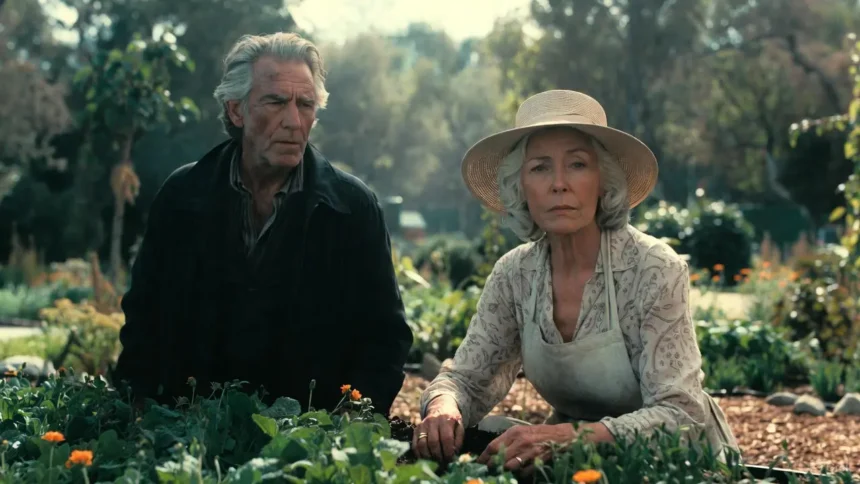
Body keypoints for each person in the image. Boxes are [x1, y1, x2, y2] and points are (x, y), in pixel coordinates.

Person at [413, 90, 739, 471]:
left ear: (604, 181)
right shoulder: (514, 274)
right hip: (574, 459)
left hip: (673, 466)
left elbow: (680, 415)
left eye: (578, 165)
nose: (559, 184)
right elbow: (467, 379)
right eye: (540, 168)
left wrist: (566, 436)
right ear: (521, 188)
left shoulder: (652, 267)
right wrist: (443, 407)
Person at [111, 32, 413, 416]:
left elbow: (385, 335)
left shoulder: (352, 208)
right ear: (237, 110)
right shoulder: (183, 196)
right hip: (191, 434)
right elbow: (144, 316)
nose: (293, 121)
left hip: (306, 442)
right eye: (276, 101)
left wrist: (348, 424)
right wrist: (140, 405)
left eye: (306, 105)